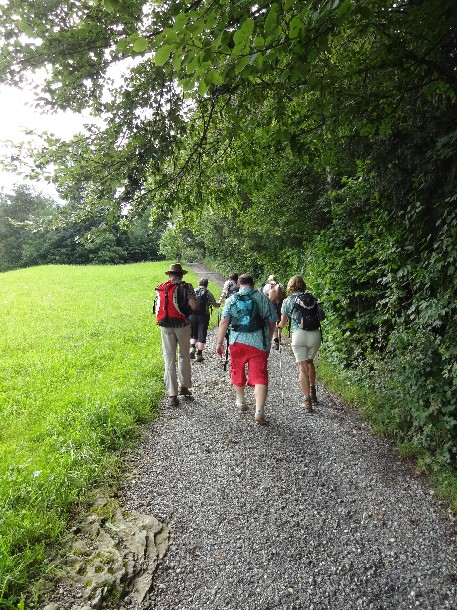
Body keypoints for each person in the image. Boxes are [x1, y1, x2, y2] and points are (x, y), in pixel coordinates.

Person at [216, 274, 277, 425]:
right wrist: (268, 339)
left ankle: (241, 402)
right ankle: (259, 411)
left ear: (239, 284)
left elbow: (224, 322)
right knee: (260, 376)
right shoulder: (263, 298)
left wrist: (219, 343)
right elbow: (271, 321)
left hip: (237, 342)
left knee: (237, 370)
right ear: (253, 283)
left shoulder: (232, 299)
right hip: (258, 343)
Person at [277, 275, 322, 414]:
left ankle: (307, 400)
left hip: (299, 335)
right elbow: (321, 316)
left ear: (291, 287)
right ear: (304, 285)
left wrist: (278, 327)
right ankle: (313, 390)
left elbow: (283, 323)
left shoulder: (287, 301)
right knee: (310, 362)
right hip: (315, 335)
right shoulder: (313, 298)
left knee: (302, 368)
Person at [156, 263, 196, 406]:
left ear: (169, 275)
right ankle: (184, 387)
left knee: (169, 358)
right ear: (182, 275)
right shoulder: (187, 286)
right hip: (182, 325)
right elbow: (193, 305)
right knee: (184, 355)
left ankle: (172, 395)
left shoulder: (162, 287)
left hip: (165, 326)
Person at [189, 278, 220, 362]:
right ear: (207, 284)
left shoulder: (193, 291)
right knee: (202, 333)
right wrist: (218, 304)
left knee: (193, 332)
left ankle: (192, 348)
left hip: (192, 315)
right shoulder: (208, 292)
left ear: (198, 283)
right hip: (204, 316)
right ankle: (199, 354)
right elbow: (214, 304)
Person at [262, 274, 285, 350]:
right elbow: (284, 296)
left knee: (272, 321)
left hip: (271, 304)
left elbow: (265, 297)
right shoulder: (281, 285)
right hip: (280, 304)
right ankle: (279, 335)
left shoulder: (266, 286)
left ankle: (275, 340)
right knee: (279, 320)